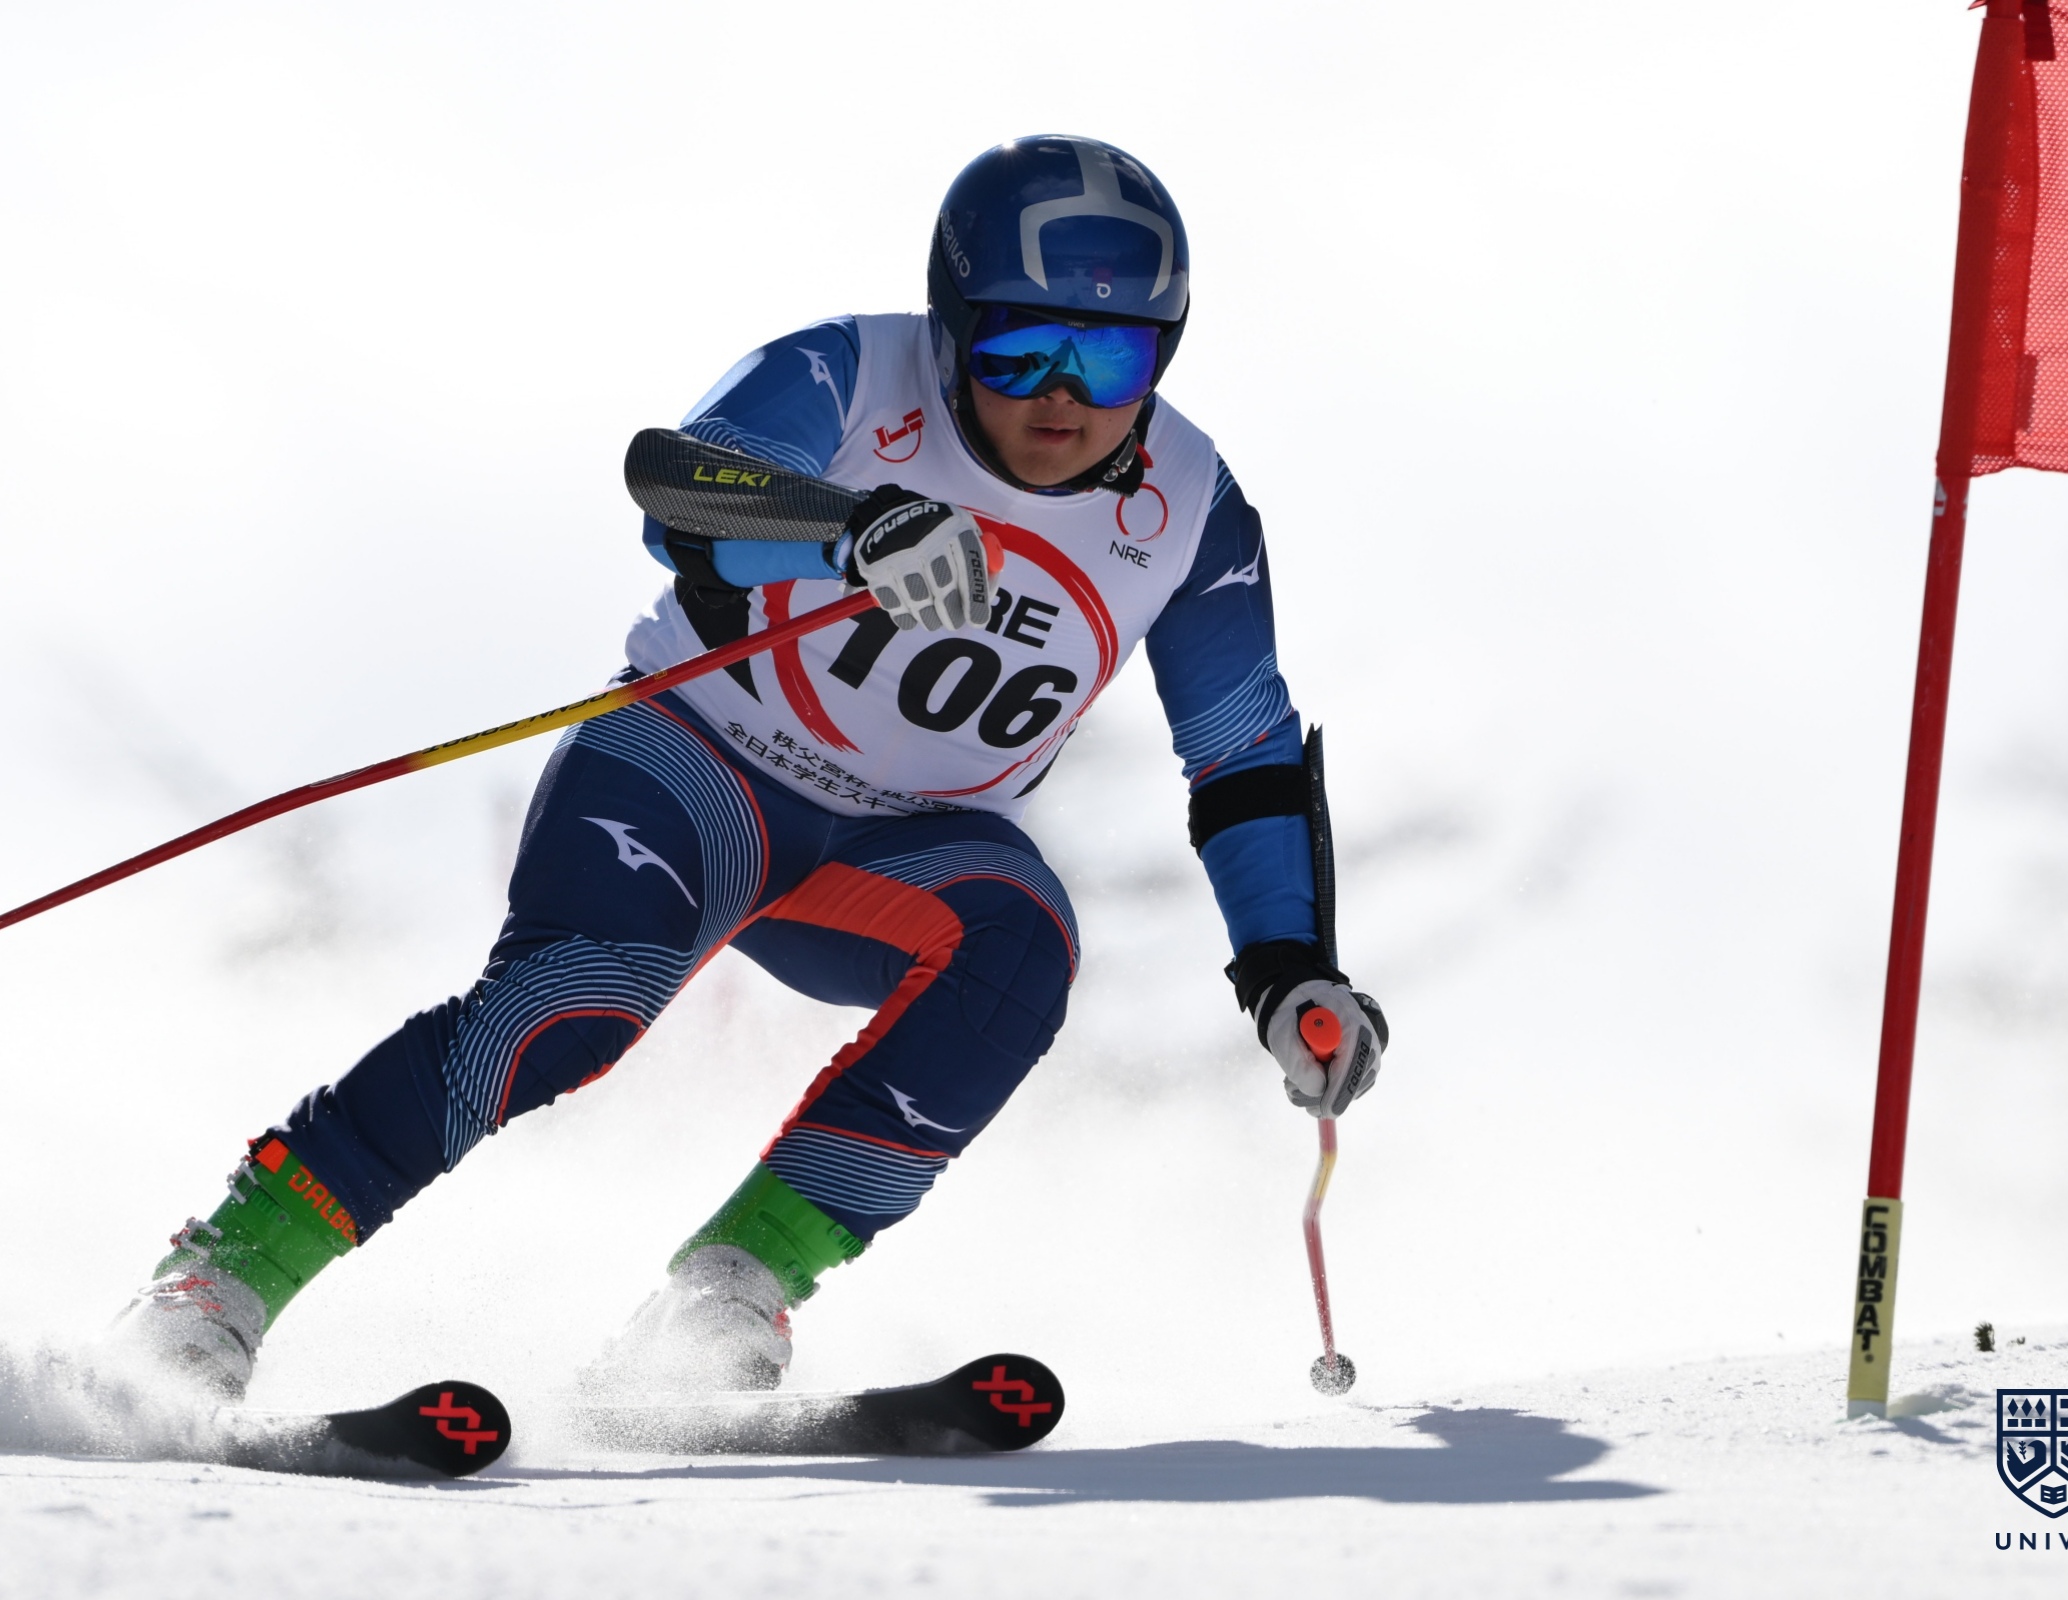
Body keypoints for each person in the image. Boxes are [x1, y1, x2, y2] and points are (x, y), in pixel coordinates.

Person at [112, 135, 1387, 1398]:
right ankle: (218, 1277)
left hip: (898, 849)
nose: (1064, 394)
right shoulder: (853, 370)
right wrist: (851, 530)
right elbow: (676, 488)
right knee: (574, 1007)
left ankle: (727, 1298)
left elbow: (1243, 752)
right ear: (953, 328)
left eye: (1111, 357)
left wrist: (1286, 970)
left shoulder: (1190, 507)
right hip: (696, 768)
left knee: (1023, 944)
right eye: (1017, 347)